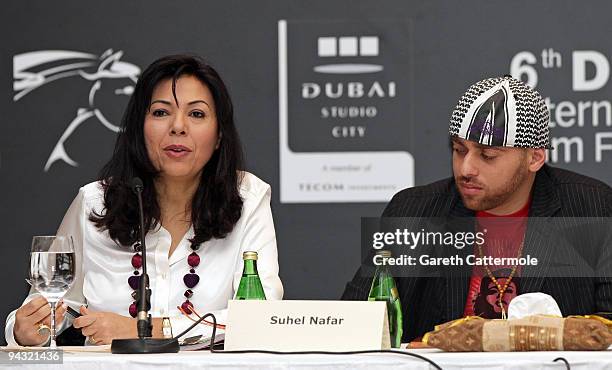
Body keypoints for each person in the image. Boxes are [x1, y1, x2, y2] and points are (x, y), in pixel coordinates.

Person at [6, 55, 283, 346]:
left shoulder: (248, 198)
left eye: (197, 114)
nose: (178, 127)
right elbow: (44, 308)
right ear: (139, 127)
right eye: (162, 112)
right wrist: (26, 331)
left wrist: (148, 329)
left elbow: (262, 318)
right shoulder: (94, 202)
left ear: (218, 136)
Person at [342, 75, 612, 342]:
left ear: (535, 157)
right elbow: (356, 321)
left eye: (487, 155)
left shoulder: (593, 208)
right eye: (459, 150)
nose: (466, 168)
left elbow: (608, 325)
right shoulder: (413, 212)